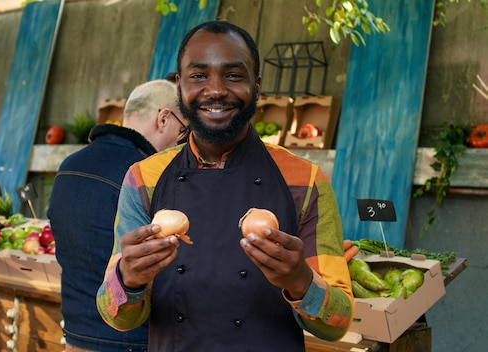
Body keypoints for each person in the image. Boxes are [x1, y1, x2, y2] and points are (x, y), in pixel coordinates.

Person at [96, 21, 353, 351]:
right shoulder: (143, 178)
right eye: (199, 76)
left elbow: (339, 323)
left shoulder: (305, 179)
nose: (215, 89)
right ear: (179, 87)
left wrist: (299, 280)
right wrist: (128, 278)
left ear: (257, 87)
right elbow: (115, 314)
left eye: (233, 75)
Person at [47, 79, 187, 352]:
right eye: (183, 131)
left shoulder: (70, 165)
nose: (182, 142)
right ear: (163, 119)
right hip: (130, 338)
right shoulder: (144, 177)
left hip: (75, 335)